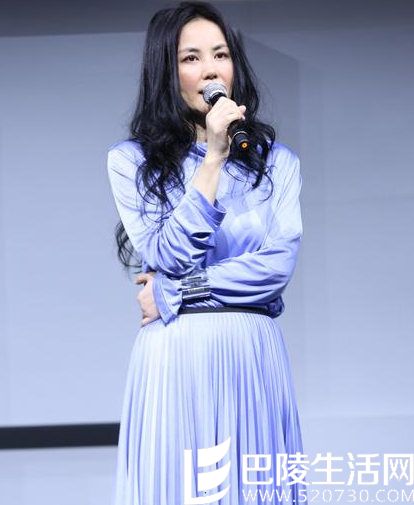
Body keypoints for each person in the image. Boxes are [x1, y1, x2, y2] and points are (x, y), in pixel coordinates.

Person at [107, 2, 307, 504]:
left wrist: (175, 292)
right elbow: (168, 255)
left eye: (220, 54)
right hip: (177, 357)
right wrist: (213, 159)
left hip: (252, 356)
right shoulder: (130, 162)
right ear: (166, 72)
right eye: (191, 58)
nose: (211, 70)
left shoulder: (277, 164)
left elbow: (275, 269)